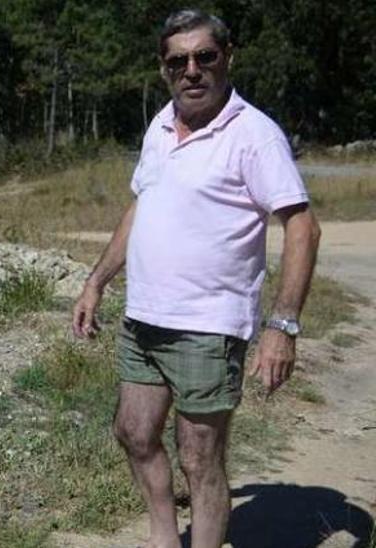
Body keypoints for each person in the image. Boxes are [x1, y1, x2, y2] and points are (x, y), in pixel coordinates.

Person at [70, 9, 322, 548]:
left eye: (204, 57)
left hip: (208, 327)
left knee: (199, 459)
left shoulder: (254, 134)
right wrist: (97, 282)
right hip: (143, 321)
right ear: (164, 70)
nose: (192, 70)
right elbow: (141, 206)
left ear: (227, 58)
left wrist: (282, 326)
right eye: (177, 61)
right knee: (133, 434)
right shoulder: (160, 126)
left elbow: (301, 226)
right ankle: (166, 538)